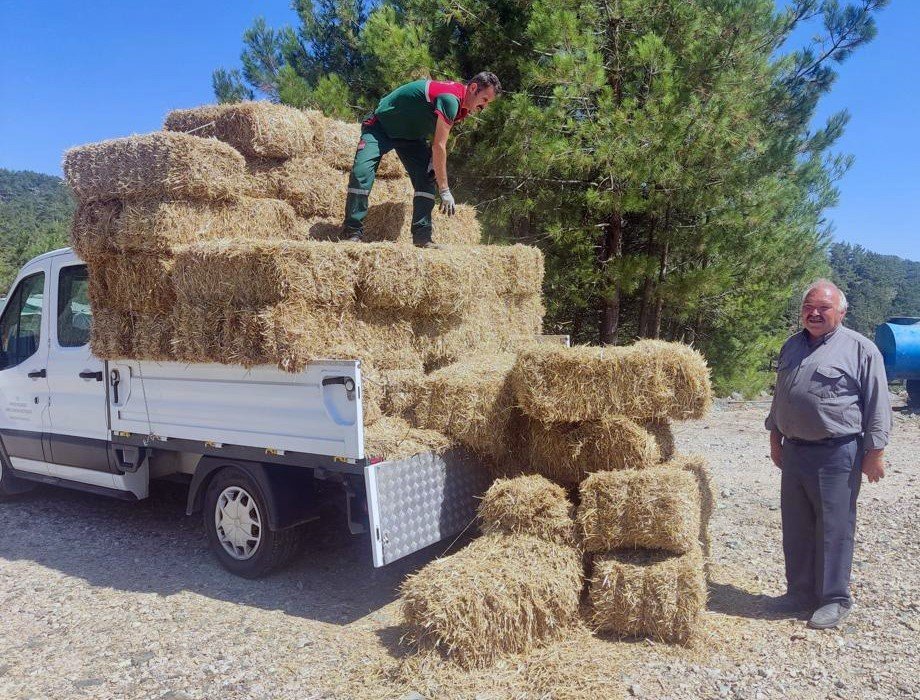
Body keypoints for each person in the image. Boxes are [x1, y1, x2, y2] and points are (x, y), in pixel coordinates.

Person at [765, 279, 891, 629]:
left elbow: (878, 404)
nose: (814, 313)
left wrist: (875, 451)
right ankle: (799, 594)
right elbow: (781, 397)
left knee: (834, 529)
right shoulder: (791, 345)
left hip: (837, 453)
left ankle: (835, 599)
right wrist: (775, 437)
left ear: (842, 311)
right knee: (797, 526)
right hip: (795, 451)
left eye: (823, 307)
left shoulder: (861, 350)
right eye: (809, 306)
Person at [341, 72, 501, 248]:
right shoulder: (450, 98)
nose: (484, 107)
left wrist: (433, 162)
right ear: (473, 88)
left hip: (411, 139)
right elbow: (439, 146)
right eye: (484, 100)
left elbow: (438, 138)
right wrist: (445, 190)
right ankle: (351, 232)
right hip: (380, 128)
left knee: (426, 178)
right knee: (361, 172)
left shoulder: (461, 108)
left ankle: (422, 238)